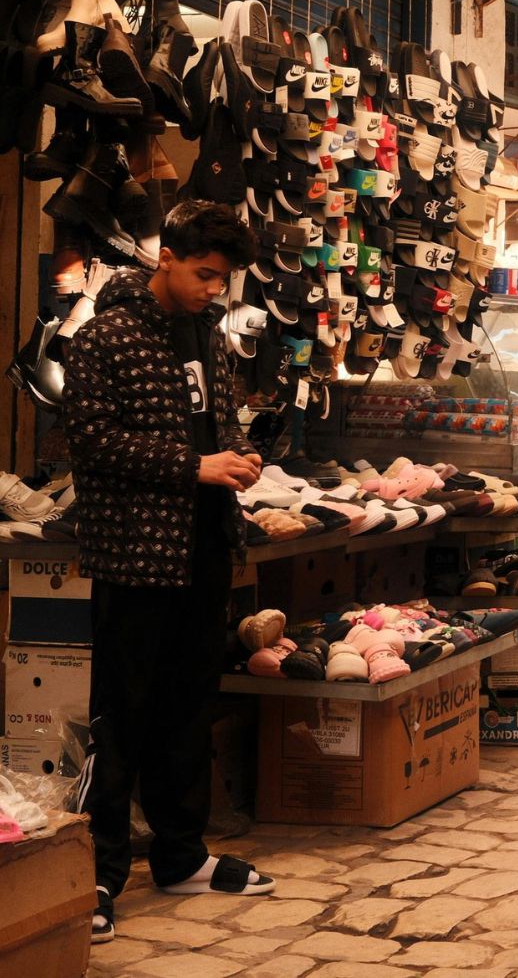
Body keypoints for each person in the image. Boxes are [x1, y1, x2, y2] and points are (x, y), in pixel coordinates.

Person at [65, 202, 274, 943]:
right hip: (135, 552)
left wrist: (236, 460)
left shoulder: (208, 333)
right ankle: (97, 876)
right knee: (121, 716)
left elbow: (212, 428)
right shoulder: (104, 337)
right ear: (166, 258)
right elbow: (91, 440)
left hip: (204, 545)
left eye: (223, 280)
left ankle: (182, 855)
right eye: (204, 274)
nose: (213, 289)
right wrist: (195, 466)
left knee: (188, 709)